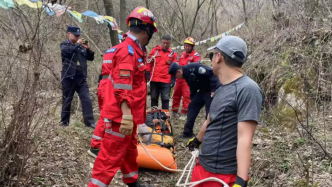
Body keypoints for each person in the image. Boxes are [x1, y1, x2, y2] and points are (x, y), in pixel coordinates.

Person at [88, 6, 157, 187]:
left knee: (129, 152)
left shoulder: (135, 50)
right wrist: (126, 115)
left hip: (128, 116)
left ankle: (132, 181)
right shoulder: (128, 51)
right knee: (109, 158)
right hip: (120, 118)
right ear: (147, 31)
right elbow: (122, 87)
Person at [186, 36, 264, 187]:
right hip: (203, 166)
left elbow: (245, 138)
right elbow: (210, 120)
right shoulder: (221, 88)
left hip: (222, 175)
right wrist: (197, 140)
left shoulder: (248, 89)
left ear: (219, 57)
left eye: (212, 55)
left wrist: (241, 181)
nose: (212, 59)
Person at [168, 62, 221, 139]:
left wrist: (213, 90)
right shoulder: (185, 75)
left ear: (179, 72)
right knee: (192, 107)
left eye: (175, 76)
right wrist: (193, 100)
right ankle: (187, 133)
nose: (176, 78)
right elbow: (193, 88)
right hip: (202, 91)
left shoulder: (194, 68)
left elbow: (212, 74)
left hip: (211, 90)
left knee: (209, 113)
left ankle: (210, 135)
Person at [60, 26, 95, 129]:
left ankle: (89, 122)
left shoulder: (81, 47)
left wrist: (88, 49)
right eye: (75, 35)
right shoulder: (64, 45)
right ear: (69, 34)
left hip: (81, 77)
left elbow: (91, 58)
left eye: (78, 35)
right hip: (69, 77)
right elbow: (67, 52)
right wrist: (77, 44)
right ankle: (64, 122)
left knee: (87, 99)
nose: (77, 37)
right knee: (67, 99)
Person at [171, 37, 201, 120]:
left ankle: (185, 112)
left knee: (186, 96)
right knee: (176, 94)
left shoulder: (196, 56)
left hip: (187, 79)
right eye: (186, 46)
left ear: (192, 47)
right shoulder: (182, 54)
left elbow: (197, 67)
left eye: (189, 46)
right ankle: (174, 111)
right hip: (179, 78)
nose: (187, 47)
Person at [147, 35, 178, 110]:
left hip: (166, 80)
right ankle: (154, 117)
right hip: (154, 79)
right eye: (164, 43)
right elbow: (149, 63)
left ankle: (165, 117)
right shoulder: (155, 51)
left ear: (170, 43)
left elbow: (175, 67)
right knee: (154, 98)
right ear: (161, 42)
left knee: (165, 99)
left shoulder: (173, 53)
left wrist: (173, 79)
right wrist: (147, 74)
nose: (165, 45)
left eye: (167, 43)